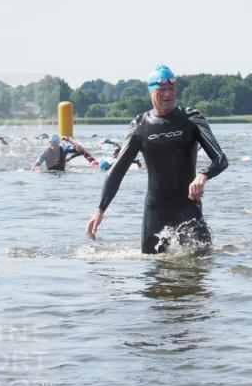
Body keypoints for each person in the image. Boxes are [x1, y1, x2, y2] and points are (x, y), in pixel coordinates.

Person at [85, 65, 228, 253]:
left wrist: (203, 175)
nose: (168, 94)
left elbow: (220, 159)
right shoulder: (140, 125)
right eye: (162, 90)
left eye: (171, 89)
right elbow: (117, 170)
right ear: (151, 91)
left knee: (202, 263)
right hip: (155, 212)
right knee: (152, 266)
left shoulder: (191, 118)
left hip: (188, 209)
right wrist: (100, 210)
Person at [31, 134, 96, 171]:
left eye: (55, 143)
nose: (53, 145)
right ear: (50, 143)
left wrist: (69, 139)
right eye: (51, 143)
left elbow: (80, 148)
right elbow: (36, 164)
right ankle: (68, 159)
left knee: (81, 152)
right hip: (50, 176)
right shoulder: (46, 152)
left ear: (58, 143)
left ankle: (68, 159)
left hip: (62, 175)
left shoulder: (63, 149)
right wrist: (37, 169)